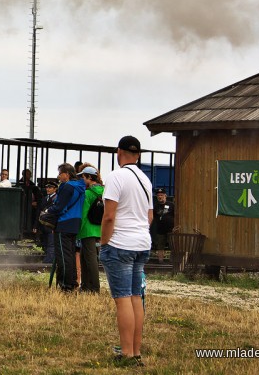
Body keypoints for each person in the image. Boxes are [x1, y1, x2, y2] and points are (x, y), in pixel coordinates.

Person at [99, 135, 153, 367]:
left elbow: (109, 216)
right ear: (138, 155)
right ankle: (136, 351)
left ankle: (127, 354)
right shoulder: (145, 179)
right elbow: (149, 216)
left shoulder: (116, 176)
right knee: (135, 298)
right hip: (142, 243)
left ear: (118, 152)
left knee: (122, 300)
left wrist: (104, 243)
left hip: (120, 244)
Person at [42, 163, 85, 291]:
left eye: (60, 173)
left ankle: (66, 285)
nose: (58, 176)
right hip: (75, 222)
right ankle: (72, 282)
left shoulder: (67, 187)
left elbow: (59, 207)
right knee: (70, 255)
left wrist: (48, 211)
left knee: (63, 256)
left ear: (66, 174)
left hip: (64, 223)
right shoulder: (80, 186)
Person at [77, 165, 103, 293]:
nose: (82, 179)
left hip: (87, 229)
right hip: (99, 228)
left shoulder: (87, 193)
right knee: (86, 257)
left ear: (88, 177)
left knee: (90, 259)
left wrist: (77, 230)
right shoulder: (104, 191)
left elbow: (83, 213)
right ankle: (86, 286)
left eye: (83, 177)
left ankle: (92, 287)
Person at [152, 188, 175, 263]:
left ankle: (172, 261)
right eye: (158, 195)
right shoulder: (156, 207)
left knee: (173, 246)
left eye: (161, 195)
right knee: (160, 246)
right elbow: (153, 217)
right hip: (160, 230)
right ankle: (160, 261)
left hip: (171, 229)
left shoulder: (171, 205)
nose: (160, 197)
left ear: (165, 196)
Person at [19, 169, 42, 237]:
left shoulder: (33, 185)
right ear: (23, 174)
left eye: (29, 174)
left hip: (32, 206)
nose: (29, 176)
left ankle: (33, 229)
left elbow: (38, 195)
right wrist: (29, 203)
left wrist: (36, 202)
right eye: (27, 174)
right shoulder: (19, 183)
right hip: (22, 206)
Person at [40, 180, 58, 263]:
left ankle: (49, 261)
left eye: (50, 187)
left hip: (51, 224)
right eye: (47, 187)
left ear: (55, 189)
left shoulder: (56, 199)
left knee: (51, 243)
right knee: (45, 243)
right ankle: (48, 259)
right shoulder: (44, 198)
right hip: (44, 223)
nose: (48, 189)